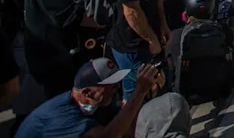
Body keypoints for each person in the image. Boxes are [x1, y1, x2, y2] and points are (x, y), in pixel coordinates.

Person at [14, 58, 164, 138]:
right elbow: (109, 136)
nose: (117, 88)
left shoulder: (90, 104)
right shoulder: (63, 117)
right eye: (111, 86)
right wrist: (140, 91)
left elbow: (125, 130)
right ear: (88, 93)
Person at [165, 0, 234, 104]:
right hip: (219, 91)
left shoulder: (174, 36)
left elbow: (171, 67)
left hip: (188, 96)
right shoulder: (221, 29)